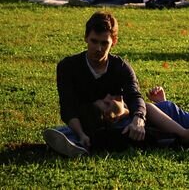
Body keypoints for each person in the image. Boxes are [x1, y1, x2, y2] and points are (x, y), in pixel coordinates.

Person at [43, 12, 146, 157]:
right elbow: (68, 106)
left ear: (114, 41)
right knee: (74, 131)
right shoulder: (68, 67)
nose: (98, 48)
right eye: (94, 41)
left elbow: (134, 95)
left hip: (118, 120)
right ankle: (79, 140)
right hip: (83, 121)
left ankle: (79, 143)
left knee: (129, 130)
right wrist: (81, 134)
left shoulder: (121, 67)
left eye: (104, 43)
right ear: (86, 38)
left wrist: (138, 119)